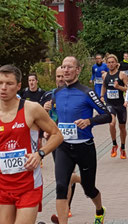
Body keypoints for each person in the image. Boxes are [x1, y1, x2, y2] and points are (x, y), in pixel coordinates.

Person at [0, 64, 63, 224]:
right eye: (0, 83)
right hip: (3, 185)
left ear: (19, 86)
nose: (3, 88)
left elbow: (57, 135)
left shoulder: (32, 109)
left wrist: (40, 153)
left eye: (9, 83)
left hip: (28, 184)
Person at [54, 56, 112, 224]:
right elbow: (59, 118)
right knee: (60, 187)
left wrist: (89, 121)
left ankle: (100, 210)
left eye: (69, 67)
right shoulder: (56, 93)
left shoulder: (87, 93)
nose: (65, 70)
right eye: (63, 67)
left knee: (89, 188)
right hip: (63, 147)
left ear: (78, 70)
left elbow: (107, 115)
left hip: (84, 147)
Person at [40, 67, 80, 222]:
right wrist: (44, 110)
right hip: (56, 141)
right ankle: (65, 209)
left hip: (73, 140)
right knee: (63, 177)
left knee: (65, 177)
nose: (60, 79)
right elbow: (40, 117)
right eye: (58, 76)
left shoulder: (76, 93)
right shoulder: (49, 94)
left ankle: (65, 209)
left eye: (63, 76)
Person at [101, 54, 128, 159]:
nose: (111, 64)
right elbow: (104, 86)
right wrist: (101, 96)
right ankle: (114, 144)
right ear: (107, 64)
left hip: (120, 104)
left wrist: (119, 87)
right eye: (109, 62)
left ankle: (122, 147)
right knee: (112, 124)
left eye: (113, 62)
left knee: (122, 127)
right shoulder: (105, 75)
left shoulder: (122, 75)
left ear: (116, 63)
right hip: (110, 103)